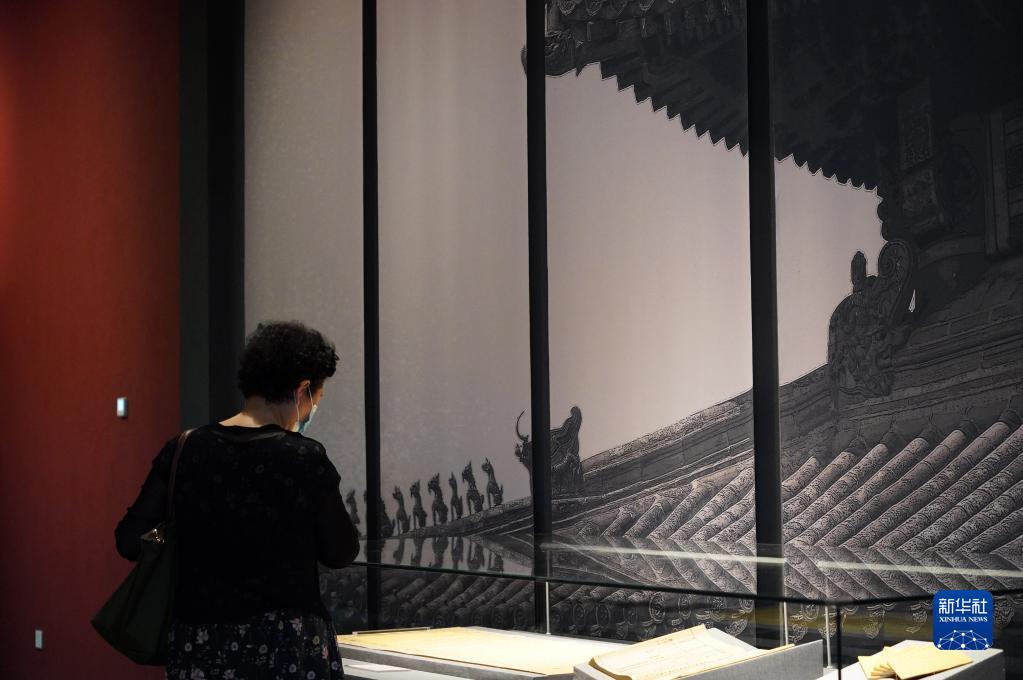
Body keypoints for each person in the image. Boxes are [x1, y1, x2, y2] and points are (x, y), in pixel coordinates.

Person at [116, 321, 360, 679]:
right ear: (302, 390)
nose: (310, 412)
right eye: (316, 401)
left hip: (198, 643)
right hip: (284, 646)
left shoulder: (184, 449)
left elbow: (128, 540)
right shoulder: (303, 457)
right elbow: (341, 551)